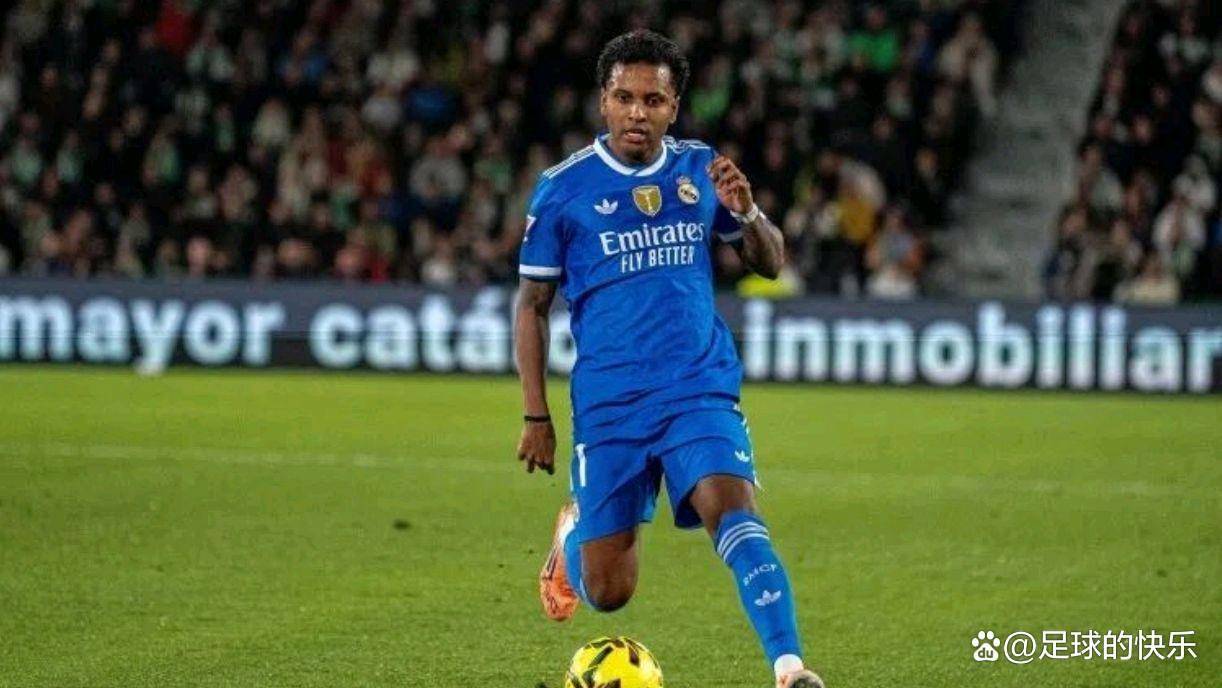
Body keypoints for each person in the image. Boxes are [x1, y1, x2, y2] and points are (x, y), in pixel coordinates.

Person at [513, 30, 825, 688]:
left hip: (697, 389)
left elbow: (770, 263)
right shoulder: (563, 189)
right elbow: (532, 305)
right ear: (604, 101)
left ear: (674, 106)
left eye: (653, 100)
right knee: (609, 591)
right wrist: (536, 415)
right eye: (625, 98)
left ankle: (791, 668)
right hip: (610, 405)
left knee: (736, 515)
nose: (638, 112)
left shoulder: (701, 169)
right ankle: (572, 536)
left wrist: (749, 212)